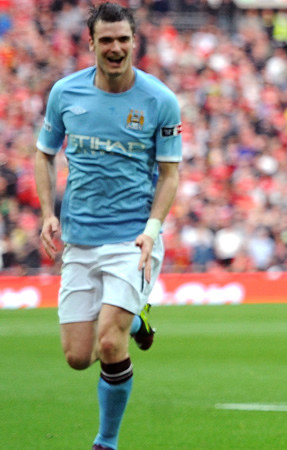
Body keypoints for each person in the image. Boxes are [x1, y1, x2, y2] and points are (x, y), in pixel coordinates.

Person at [34, 3, 182, 449]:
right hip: (80, 239)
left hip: (132, 239)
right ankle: (138, 320)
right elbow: (44, 154)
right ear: (92, 43)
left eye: (123, 39)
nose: (116, 48)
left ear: (134, 42)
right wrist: (46, 213)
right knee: (79, 357)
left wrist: (153, 229)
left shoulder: (160, 100)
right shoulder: (65, 93)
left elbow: (171, 173)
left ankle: (106, 441)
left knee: (110, 345)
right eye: (107, 40)